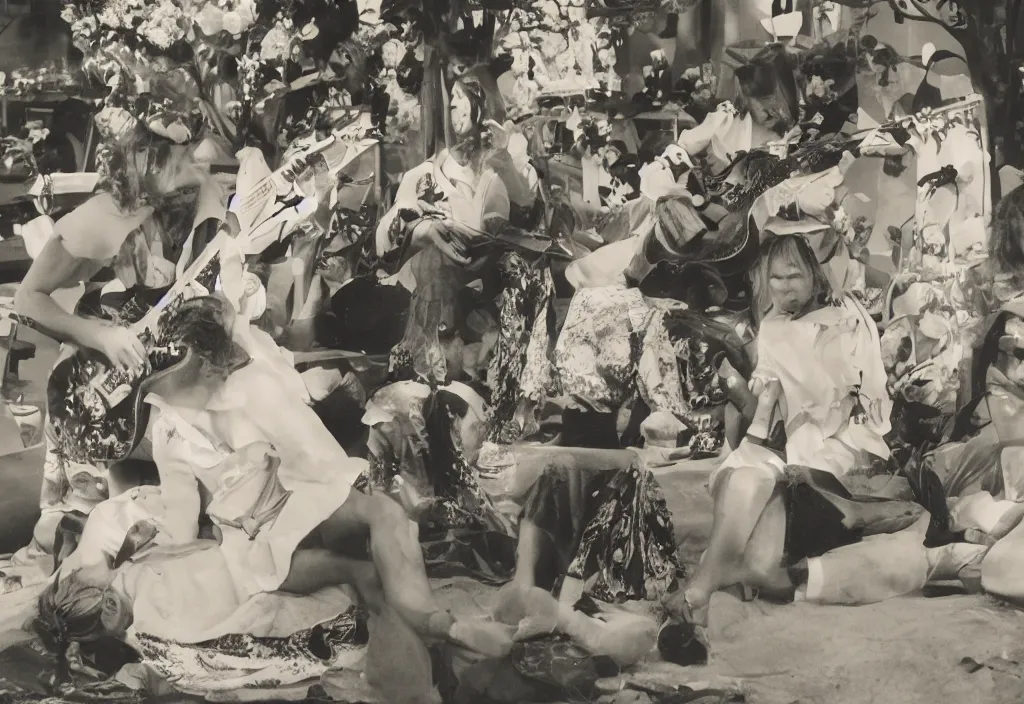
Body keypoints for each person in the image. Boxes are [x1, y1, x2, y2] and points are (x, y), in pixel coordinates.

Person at [31, 296, 511, 664]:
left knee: (374, 527)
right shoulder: (170, 423)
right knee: (361, 543)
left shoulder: (250, 391)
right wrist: (140, 534)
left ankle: (427, 621)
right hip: (259, 540)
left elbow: (317, 468)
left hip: (288, 511)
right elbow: (182, 517)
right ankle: (430, 624)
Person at [12, 125, 229, 563]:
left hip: (166, 375)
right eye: (174, 159)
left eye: (188, 156)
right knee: (82, 528)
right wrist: (100, 336)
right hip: (95, 385)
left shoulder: (203, 201)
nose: (189, 169)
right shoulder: (105, 215)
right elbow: (28, 298)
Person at [664, 234, 892, 630]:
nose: (785, 288)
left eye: (795, 277)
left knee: (761, 557)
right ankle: (702, 590)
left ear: (816, 277)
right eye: (776, 279)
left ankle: (706, 584)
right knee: (746, 477)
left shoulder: (848, 322)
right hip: (781, 440)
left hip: (834, 447)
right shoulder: (770, 326)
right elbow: (765, 407)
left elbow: (865, 404)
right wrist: (740, 393)